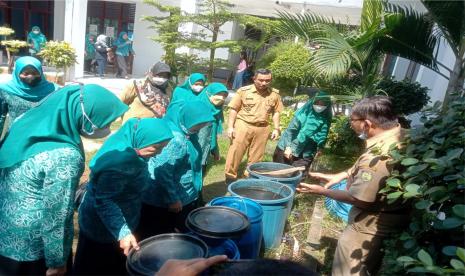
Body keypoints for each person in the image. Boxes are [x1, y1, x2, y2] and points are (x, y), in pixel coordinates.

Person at [0, 83, 128, 276]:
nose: (107, 129)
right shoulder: (64, 156)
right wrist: (57, 262)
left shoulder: (25, 122)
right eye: (104, 122)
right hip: (36, 248)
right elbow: (56, 215)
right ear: (83, 114)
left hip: (7, 232)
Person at [297, 96, 408, 276]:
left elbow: (359, 199)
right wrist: (340, 175)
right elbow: (363, 166)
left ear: (367, 124)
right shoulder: (401, 135)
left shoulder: (378, 158)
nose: (350, 124)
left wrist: (321, 191)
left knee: (349, 269)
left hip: (368, 224)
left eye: (352, 120)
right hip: (395, 216)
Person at [73, 118, 173, 275]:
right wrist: (123, 233)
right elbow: (105, 201)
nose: (158, 153)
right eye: (156, 147)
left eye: (163, 148)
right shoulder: (119, 165)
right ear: (142, 138)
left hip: (123, 212)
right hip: (103, 225)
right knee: (97, 264)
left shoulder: (129, 138)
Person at [137, 101, 214, 239]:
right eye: (198, 125)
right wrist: (172, 199)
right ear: (186, 118)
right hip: (166, 201)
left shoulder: (183, 131)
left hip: (179, 193)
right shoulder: (176, 140)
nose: (200, 128)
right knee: (161, 234)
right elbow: (162, 172)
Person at [225, 68, 283, 182]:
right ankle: (230, 176)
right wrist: (231, 127)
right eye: (261, 80)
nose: (264, 83)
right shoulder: (243, 91)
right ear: (254, 78)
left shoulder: (274, 94)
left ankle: (249, 177)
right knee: (235, 152)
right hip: (243, 124)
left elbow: (276, 112)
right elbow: (234, 109)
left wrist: (276, 128)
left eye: (267, 80)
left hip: (263, 127)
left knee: (257, 156)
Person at [273, 91, 332, 175]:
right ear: (313, 102)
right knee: (280, 173)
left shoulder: (326, 117)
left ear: (327, 105)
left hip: (307, 151)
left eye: (323, 104)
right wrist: (288, 147)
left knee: (298, 176)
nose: (319, 106)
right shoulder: (302, 114)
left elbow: (323, 135)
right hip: (288, 146)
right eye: (317, 103)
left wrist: (320, 147)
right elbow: (291, 132)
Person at [0, 56, 59, 137]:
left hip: (44, 136)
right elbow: (1, 117)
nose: (30, 76)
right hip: (16, 136)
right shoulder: (5, 90)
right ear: (17, 73)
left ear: (40, 72)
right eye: (26, 73)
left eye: (35, 73)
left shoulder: (54, 90)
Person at [197, 83, 229, 172]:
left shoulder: (216, 111)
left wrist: (215, 150)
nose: (221, 98)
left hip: (205, 150)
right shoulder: (197, 107)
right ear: (208, 93)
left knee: (201, 172)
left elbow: (212, 134)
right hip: (193, 151)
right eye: (218, 94)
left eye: (224, 96)